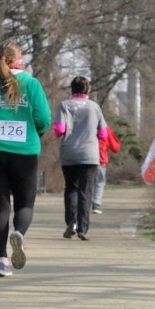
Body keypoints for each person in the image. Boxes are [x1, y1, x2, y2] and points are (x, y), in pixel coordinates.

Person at [0, 40, 52, 277]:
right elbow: (43, 118)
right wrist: (34, 133)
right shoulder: (31, 84)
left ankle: (1, 261)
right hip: (25, 152)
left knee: (0, 207)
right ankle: (19, 233)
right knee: (25, 204)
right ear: (20, 58)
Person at [53, 76, 107, 241]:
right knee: (86, 191)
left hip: (69, 153)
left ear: (72, 89)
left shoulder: (64, 106)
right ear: (87, 90)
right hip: (89, 154)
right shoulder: (94, 107)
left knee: (71, 188)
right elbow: (103, 134)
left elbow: (59, 130)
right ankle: (83, 228)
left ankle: (71, 223)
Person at [91, 124, 121, 214]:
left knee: (85, 182)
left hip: (83, 159)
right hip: (100, 159)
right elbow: (115, 147)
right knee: (99, 182)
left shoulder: (83, 125)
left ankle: (82, 204)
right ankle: (96, 204)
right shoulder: (104, 128)